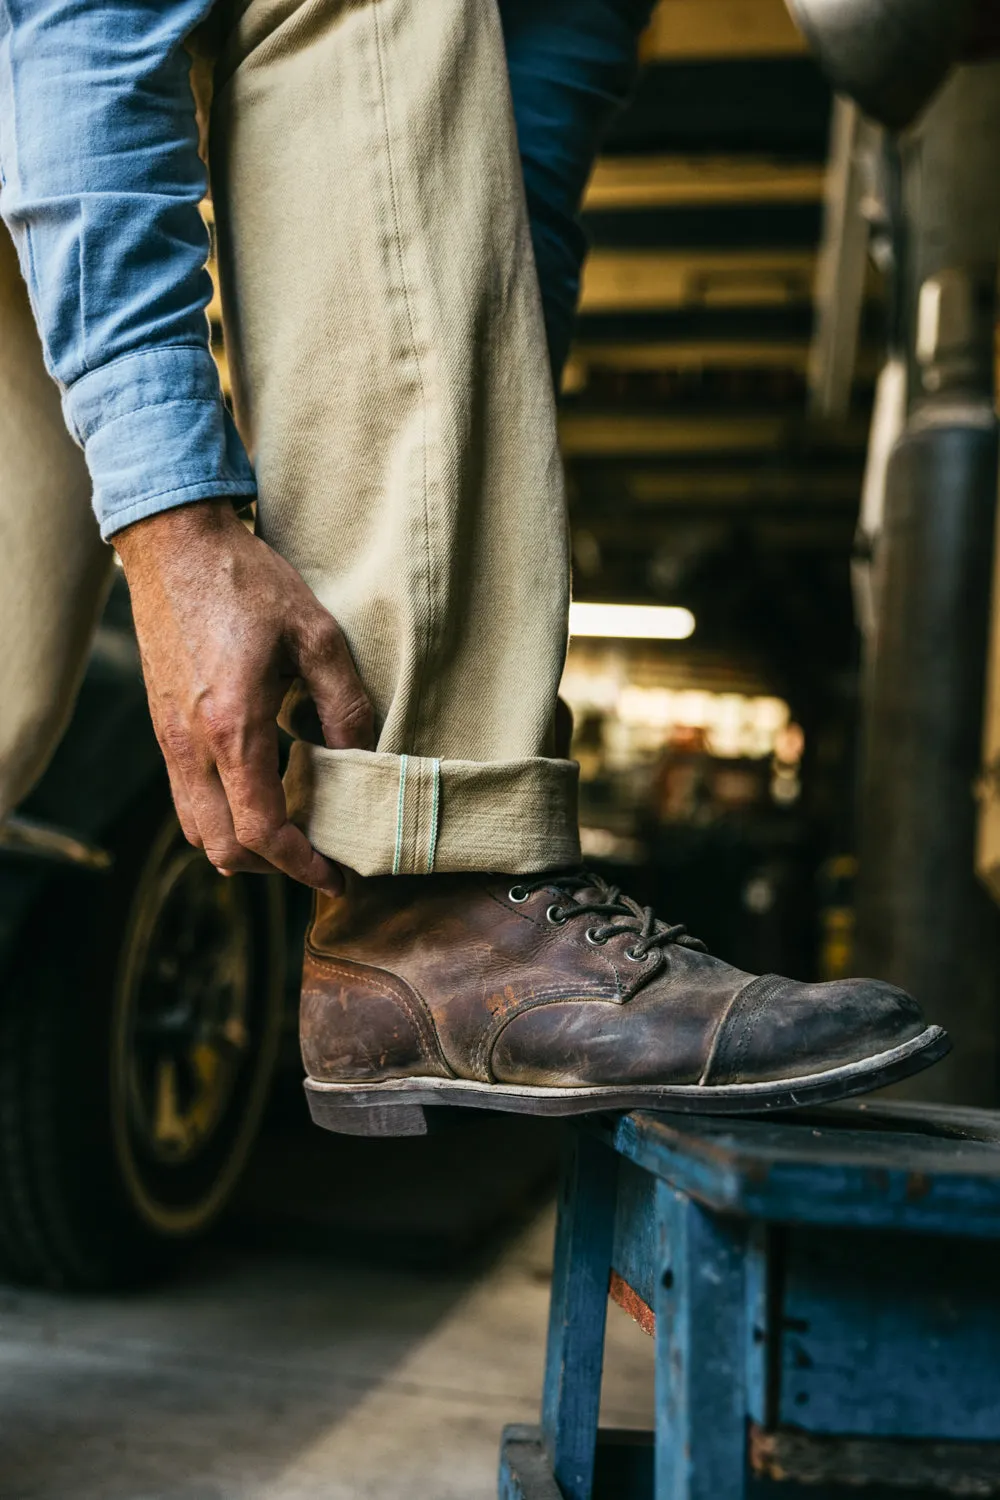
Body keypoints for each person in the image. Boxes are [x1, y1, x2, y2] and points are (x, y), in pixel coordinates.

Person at [0, 0, 946, 1137]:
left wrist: (429, 538)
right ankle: (434, 891)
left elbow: (501, 204)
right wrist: (174, 527)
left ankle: (429, 874)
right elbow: (79, 29)